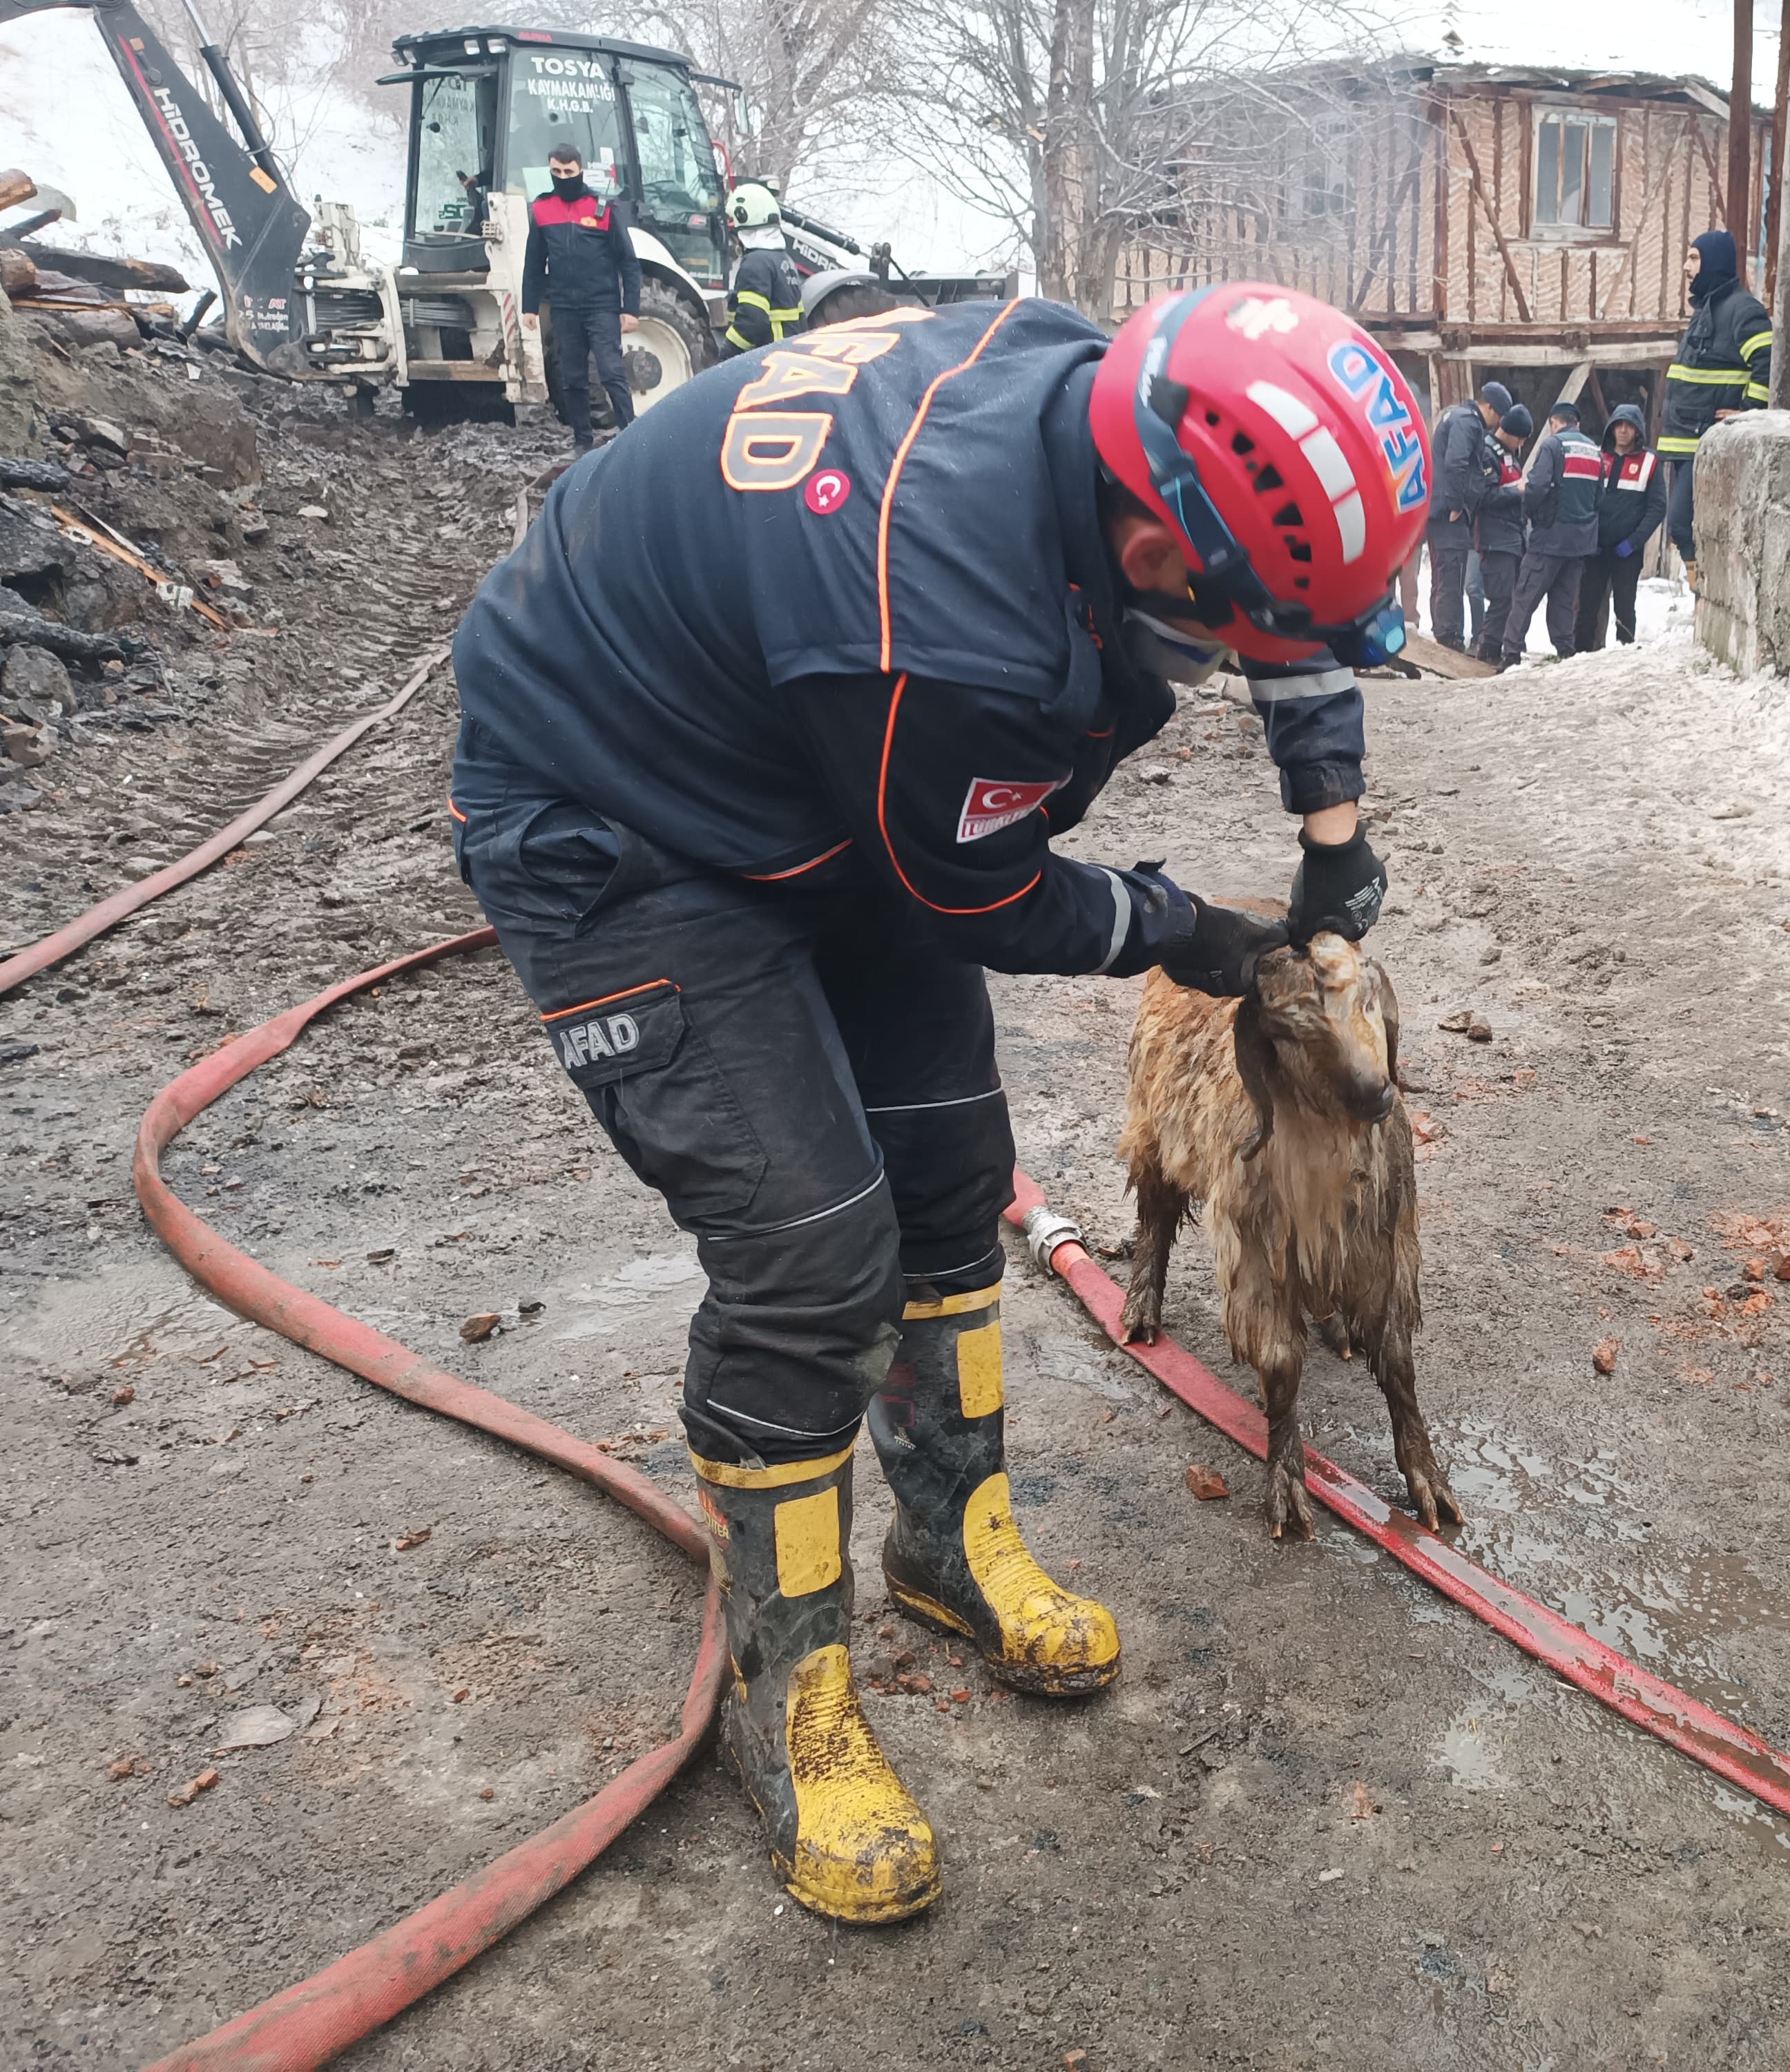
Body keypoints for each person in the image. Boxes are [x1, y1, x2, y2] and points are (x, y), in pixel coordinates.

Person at [447, 282, 1423, 1926]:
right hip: (621, 813)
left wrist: (1333, 837)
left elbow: (1293, 624)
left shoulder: (1116, 405)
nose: (1249, 653)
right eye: (1226, 617)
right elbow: (974, 892)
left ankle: (945, 1540)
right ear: (1152, 548)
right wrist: (1186, 930)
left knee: (951, 1166)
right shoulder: (941, 624)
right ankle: (789, 1697)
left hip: (805, 739)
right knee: (810, 1252)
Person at [1657, 230, 1771, 592]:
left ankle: (1702, 592)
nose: (1686, 267)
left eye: (1694, 258)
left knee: (1680, 523)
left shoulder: (1742, 309)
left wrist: (1748, 412)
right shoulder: (1708, 309)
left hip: (1705, 439)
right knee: (1685, 529)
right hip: (1685, 439)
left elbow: (1768, 360)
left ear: (1714, 262)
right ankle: (1701, 598)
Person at [521, 143, 642, 454]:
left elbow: (628, 261)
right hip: (564, 308)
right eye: (556, 172)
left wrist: (631, 309)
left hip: (601, 305)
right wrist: (529, 306)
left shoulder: (602, 207)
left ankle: (632, 436)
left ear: (580, 170)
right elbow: (534, 262)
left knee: (611, 371)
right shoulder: (543, 209)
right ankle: (582, 442)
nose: (563, 177)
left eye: (568, 172)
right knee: (572, 379)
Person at [1497, 401, 1602, 668]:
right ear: (1577, 423)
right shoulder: (1594, 451)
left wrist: (1532, 516)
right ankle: (1565, 652)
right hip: (1581, 542)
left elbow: (1537, 487)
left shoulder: (1553, 446)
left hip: (1549, 539)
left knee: (1525, 596)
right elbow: (1599, 497)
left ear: (1554, 423)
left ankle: (1510, 654)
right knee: (1565, 601)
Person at [1427, 381, 1509, 649]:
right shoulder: (1468, 422)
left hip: (1439, 508)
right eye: (1498, 417)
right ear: (1490, 408)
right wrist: (1456, 504)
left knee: (1443, 573)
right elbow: (1457, 463)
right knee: (1452, 572)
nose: (1497, 425)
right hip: (1449, 511)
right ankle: (1450, 638)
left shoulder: (1456, 415)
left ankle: (1444, 631)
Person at [1577, 404, 1662, 651]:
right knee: (1587, 607)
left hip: (1627, 552)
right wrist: (1588, 537)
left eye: (1630, 426)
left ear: (1638, 431)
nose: (1623, 431)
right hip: (1595, 550)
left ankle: (1624, 656)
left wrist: (1634, 542)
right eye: (1619, 425)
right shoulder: (1596, 456)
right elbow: (1583, 498)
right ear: (1611, 428)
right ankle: (1579, 657)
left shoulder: (1650, 462)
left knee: (1624, 609)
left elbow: (1657, 507)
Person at [1472, 402, 1532, 666]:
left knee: (1512, 599)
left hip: (1513, 538)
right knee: (1500, 599)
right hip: (1495, 539)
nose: (1521, 443)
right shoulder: (1487, 454)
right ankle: (1487, 652)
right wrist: (1517, 491)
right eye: (1519, 437)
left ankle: (1501, 651)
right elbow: (1484, 497)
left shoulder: (1509, 455)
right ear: (1507, 431)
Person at [722, 182, 804, 352]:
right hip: (788, 358)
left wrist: (727, 356)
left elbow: (752, 321)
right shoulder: (784, 260)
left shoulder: (755, 263)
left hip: (768, 359)